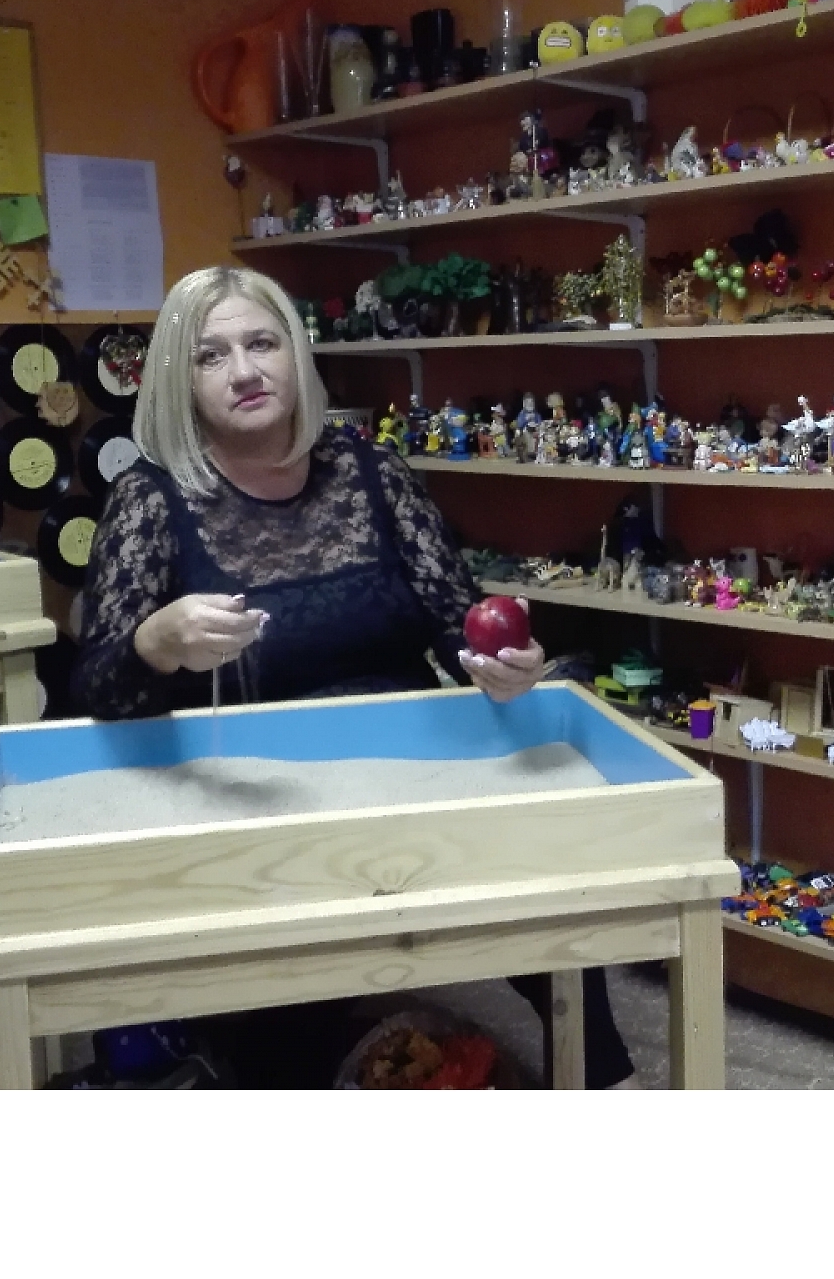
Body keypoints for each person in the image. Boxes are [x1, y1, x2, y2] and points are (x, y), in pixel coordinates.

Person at [73, 265, 637, 1088]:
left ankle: (605, 1079)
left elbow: (459, 626)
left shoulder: (373, 471)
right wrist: (155, 642)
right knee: (287, 1050)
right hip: (256, 814)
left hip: (407, 782)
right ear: (178, 381)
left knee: (548, 893)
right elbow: (96, 691)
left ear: (295, 354)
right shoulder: (149, 500)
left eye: (262, 343)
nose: (245, 371)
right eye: (211, 355)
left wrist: (504, 669)